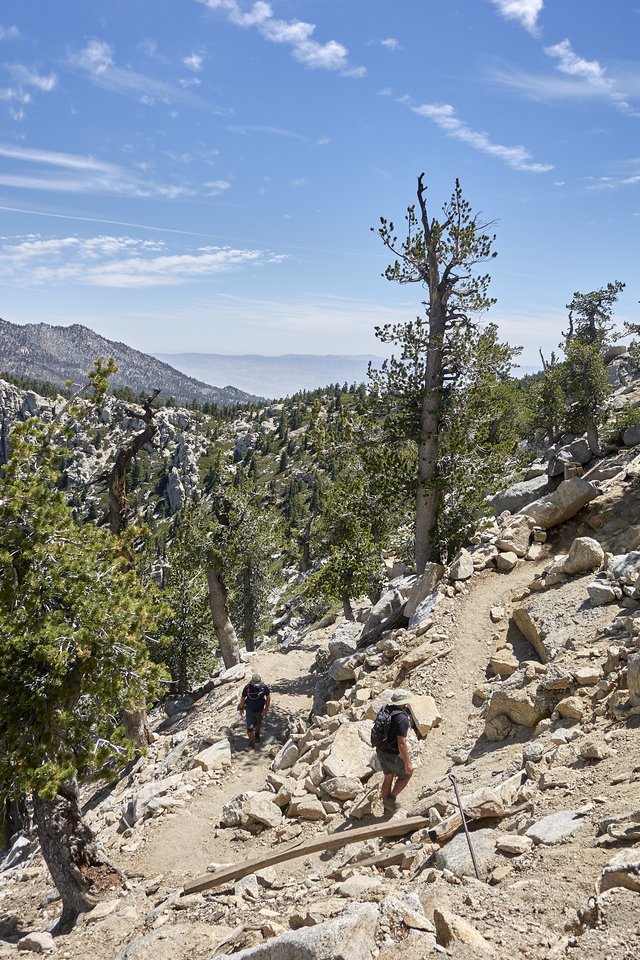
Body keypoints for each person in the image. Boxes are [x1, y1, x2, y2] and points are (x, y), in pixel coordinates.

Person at [376, 689, 414, 811]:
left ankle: (386, 805)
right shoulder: (402, 718)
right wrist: (407, 763)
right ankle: (391, 800)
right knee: (407, 773)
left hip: (381, 751)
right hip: (393, 754)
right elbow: (401, 742)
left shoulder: (385, 709)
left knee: (388, 777)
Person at [238, 673, 271, 749]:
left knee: (258, 724)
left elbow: (268, 697)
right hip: (250, 710)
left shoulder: (264, 687)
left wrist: (266, 709)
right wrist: (241, 708)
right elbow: (243, 698)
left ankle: (257, 734)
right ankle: (251, 743)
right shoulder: (247, 688)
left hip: (260, 710)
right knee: (249, 728)